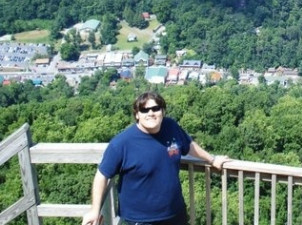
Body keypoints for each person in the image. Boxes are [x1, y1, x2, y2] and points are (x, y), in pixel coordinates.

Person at [82, 91, 230, 225]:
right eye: (144, 110)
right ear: (137, 115)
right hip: (140, 219)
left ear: (163, 111)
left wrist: (212, 159)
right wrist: (95, 210)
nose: (151, 113)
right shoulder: (122, 143)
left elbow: (188, 145)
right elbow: (102, 175)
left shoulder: (170, 127)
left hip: (175, 213)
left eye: (155, 108)